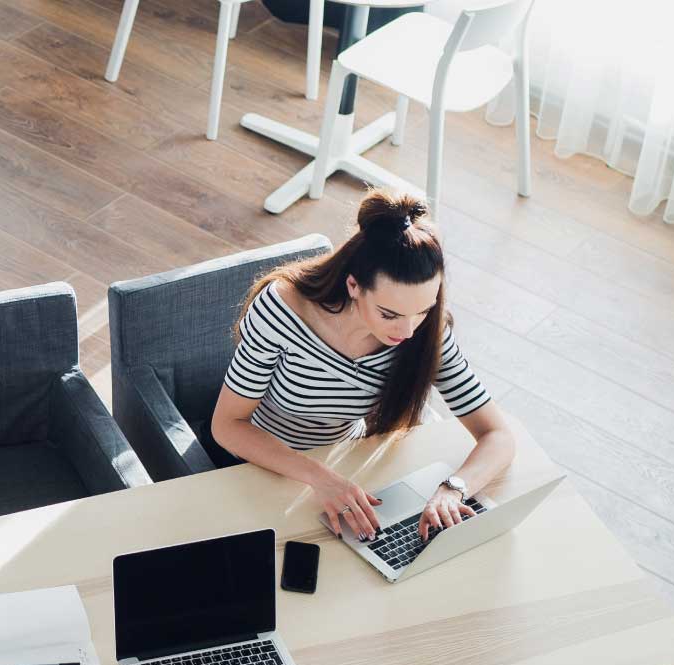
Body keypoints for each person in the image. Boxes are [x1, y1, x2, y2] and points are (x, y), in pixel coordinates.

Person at [211, 189, 515, 542]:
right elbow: (227, 425)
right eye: (389, 314)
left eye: (423, 310)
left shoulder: (425, 333)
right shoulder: (282, 310)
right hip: (259, 463)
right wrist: (319, 477)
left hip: (344, 464)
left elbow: (498, 436)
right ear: (353, 285)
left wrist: (455, 489)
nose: (408, 331)